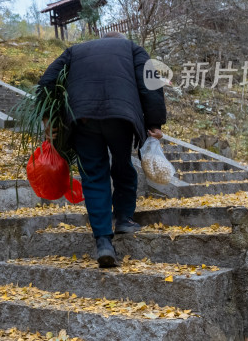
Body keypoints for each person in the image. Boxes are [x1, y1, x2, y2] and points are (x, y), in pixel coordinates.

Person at [37, 31, 166, 268]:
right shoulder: (132, 49)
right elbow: (151, 84)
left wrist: (48, 120)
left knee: (94, 176)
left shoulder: (74, 51)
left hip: (82, 119)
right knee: (123, 166)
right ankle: (124, 219)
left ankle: (104, 242)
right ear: (119, 40)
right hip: (121, 117)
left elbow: (47, 82)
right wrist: (155, 123)